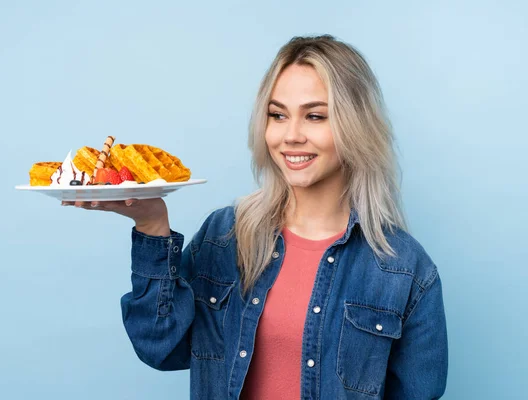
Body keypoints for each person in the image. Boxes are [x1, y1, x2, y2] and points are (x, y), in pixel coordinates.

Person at [66, 35, 448, 400]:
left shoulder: (406, 271)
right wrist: (151, 225)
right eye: (277, 115)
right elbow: (161, 346)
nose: (290, 135)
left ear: (356, 125)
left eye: (315, 116)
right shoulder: (224, 235)